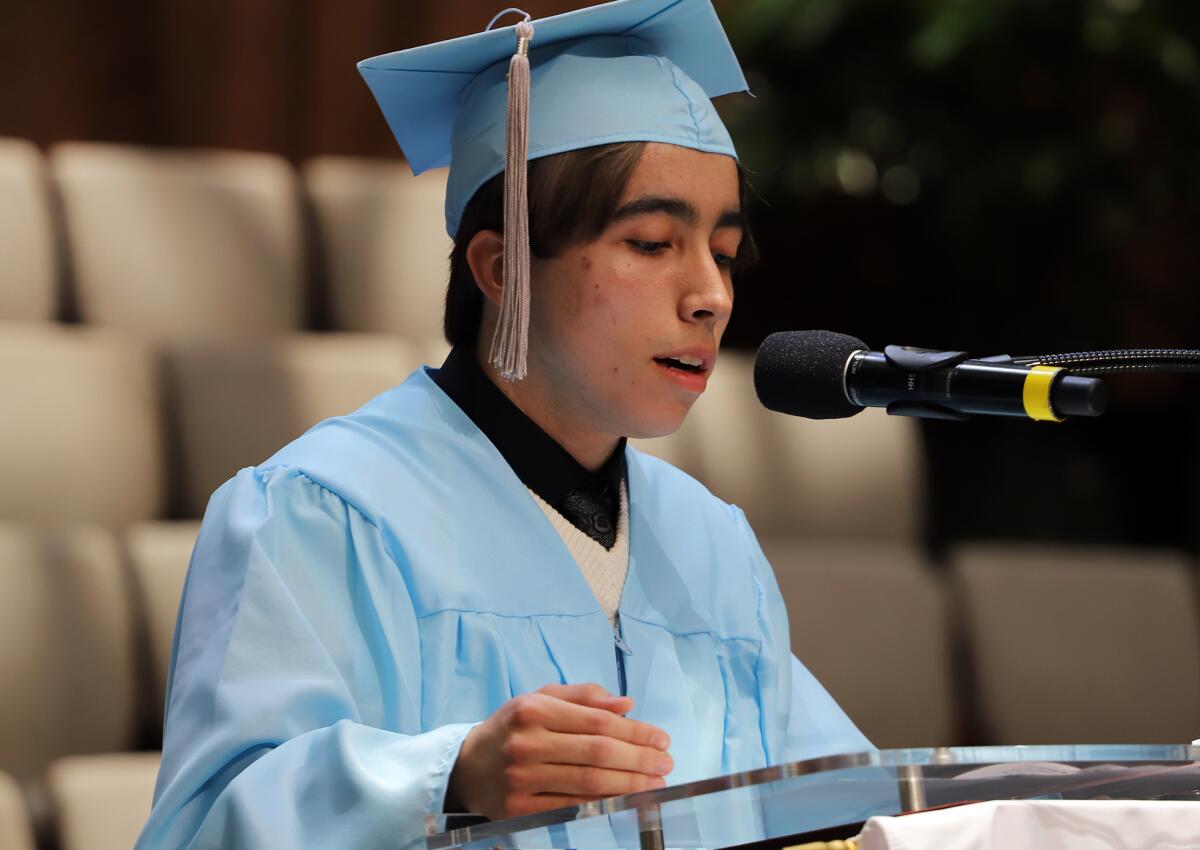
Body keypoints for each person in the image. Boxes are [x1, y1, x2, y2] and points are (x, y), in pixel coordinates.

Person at [136, 1, 871, 848]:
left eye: (726, 251)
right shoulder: (323, 512)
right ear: (500, 265)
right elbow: (206, 830)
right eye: (651, 243)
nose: (711, 294)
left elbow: (847, 807)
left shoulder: (714, 547)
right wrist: (450, 778)